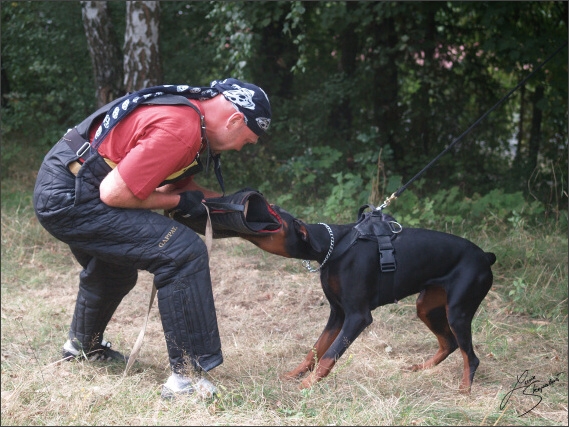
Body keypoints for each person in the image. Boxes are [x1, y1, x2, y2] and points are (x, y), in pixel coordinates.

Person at [33, 78, 271, 399]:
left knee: (115, 266)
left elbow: (181, 188)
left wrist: (233, 207)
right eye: (249, 138)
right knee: (183, 252)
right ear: (235, 120)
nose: (245, 146)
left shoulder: (190, 119)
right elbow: (115, 193)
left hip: (68, 181)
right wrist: (176, 204)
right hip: (71, 195)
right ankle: (185, 381)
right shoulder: (182, 129)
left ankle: (82, 348)